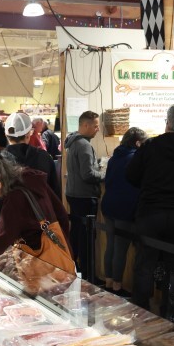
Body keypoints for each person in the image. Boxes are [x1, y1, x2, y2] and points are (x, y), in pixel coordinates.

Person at [126, 105, 174, 319]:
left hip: (150, 211)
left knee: (145, 264)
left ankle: (141, 312)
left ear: (169, 122)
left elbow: (131, 175)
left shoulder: (150, 145)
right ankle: (171, 315)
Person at [0, 150, 69, 264]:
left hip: (42, 262)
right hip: (59, 252)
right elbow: (62, 214)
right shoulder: (28, 177)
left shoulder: (15, 200)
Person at [101, 128, 146, 297]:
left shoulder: (115, 157)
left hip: (109, 205)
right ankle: (117, 287)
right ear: (138, 143)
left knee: (111, 245)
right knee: (121, 248)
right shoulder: (135, 159)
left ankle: (108, 282)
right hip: (125, 207)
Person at [64, 111, 105, 282]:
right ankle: (88, 276)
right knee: (87, 238)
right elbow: (87, 174)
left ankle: (74, 271)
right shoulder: (84, 145)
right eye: (95, 126)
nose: (97, 129)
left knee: (76, 235)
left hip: (74, 194)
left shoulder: (73, 142)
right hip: (85, 196)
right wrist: (104, 174)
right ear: (85, 125)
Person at [5, 113, 61, 197]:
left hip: (8, 205)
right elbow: (54, 192)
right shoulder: (44, 157)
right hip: (39, 205)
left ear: (6, 135)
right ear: (28, 135)